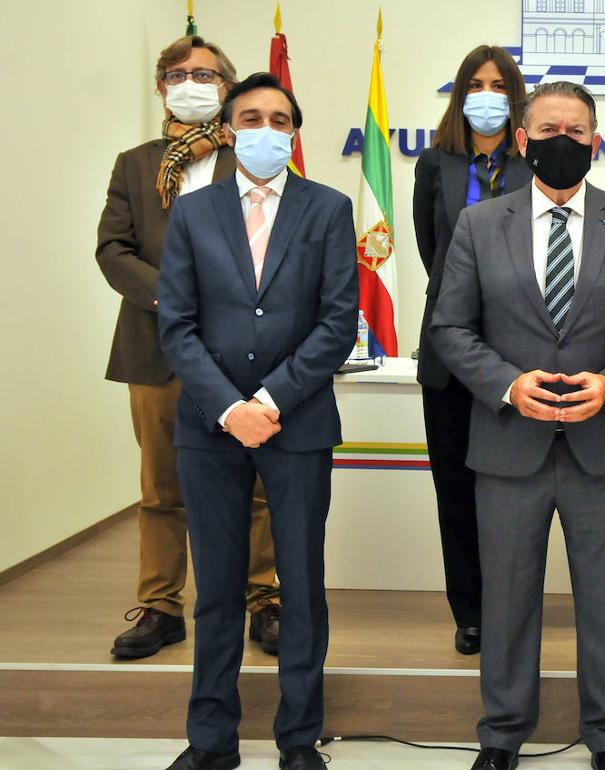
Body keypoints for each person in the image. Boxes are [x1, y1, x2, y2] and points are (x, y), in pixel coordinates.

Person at [430, 81, 605, 770]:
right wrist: (508, 385)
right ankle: (502, 735)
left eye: (576, 131)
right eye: (548, 129)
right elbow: (450, 328)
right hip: (509, 445)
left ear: (596, 141)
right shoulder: (482, 225)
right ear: (522, 140)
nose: (562, 141)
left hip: (603, 449)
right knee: (507, 602)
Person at [156, 72, 360, 770]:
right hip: (208, 426)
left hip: (296, 424)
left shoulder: (328, 209)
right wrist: (228, 407)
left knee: (300, 587)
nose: (266, 129)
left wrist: (268, 403)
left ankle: (298, 738)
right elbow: (177, 326)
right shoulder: (192, 211)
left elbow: (337, 324)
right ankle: (210, 740)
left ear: (294, 132)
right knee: (216, 590)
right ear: (229, 129)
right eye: (251, 117)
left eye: (279, 118)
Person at [96, 35, 282, 660]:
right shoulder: (134, 163)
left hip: (242, 354)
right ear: (160, 87)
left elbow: (276, 257)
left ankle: (264, 598)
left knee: (254, 482)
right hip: (154, 349)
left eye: (204, 73)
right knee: (161, 486)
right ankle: (160, 606)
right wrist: (175, 300)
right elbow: (113, 250)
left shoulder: (257, 163)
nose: (190, 82)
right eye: (177, 74)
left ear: (227, 87)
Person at [414, 45, 532, 657]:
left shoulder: (531, 162)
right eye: (475, 84)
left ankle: (513, 608)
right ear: (460, 94)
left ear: (515, 98)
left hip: (518, 357)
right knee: (456, 491)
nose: (487, 94)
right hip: (449, 357)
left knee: (510, 494)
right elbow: (430, 249)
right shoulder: (435, 163)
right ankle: (471, 611)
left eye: (499, 84)